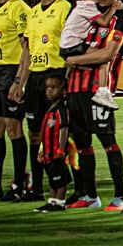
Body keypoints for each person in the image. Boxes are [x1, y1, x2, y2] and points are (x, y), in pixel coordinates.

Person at [63, 0, 123, 211]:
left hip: (97, 90)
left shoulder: (120, 18)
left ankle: (120, 197)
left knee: (108, 142)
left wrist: (74, 60)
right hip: (74, 88)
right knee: (81, 144)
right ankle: (90, 196)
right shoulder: (89, 12)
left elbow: (107, 54)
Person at [10, 0, 71, 201]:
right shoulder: (34, 12)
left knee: (59, 134)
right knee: (35, 134)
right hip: (35, 78)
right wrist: (19, 81)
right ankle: (36, 187)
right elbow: (26, 51)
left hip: (55, 75)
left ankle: (67, 186)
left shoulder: (65, 9)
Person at [0, 0, 31, 200]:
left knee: (13, 128)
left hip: (10, 72)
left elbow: (27, 47)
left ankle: (19, 183)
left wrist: (19, 80)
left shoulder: (19, 9)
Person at [32, 76, 69, 213]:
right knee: (52, 177)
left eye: (54, 88)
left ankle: (60, 203)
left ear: (63, 91)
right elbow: (44, 133)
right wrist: (41, 150)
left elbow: (63, 129)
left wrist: (61, 149)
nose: (49, 91)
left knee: (60, 179)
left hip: (56, 152)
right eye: (47, 87)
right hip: (47, 152)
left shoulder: (61, 109)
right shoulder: (50, 109)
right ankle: (51, 202)